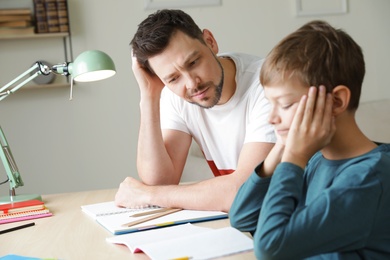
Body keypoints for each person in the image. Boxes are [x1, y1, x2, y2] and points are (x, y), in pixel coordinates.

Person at [229, 20, 390, 259]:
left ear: (336, 101)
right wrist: (282, 148)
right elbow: (242, 217)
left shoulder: (369, 178)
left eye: (284, 104)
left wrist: (294, 157)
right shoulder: (315, 159)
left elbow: (270, 248)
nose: (271, 118)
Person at [114, 9, 276, 212]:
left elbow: (245, 192)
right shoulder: (175, 97)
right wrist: (149, 97)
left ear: (210, 41)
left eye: (193, 63)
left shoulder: (270, 86)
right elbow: (160, 181)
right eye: (173, 78)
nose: (192, 83)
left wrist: (148, 195)